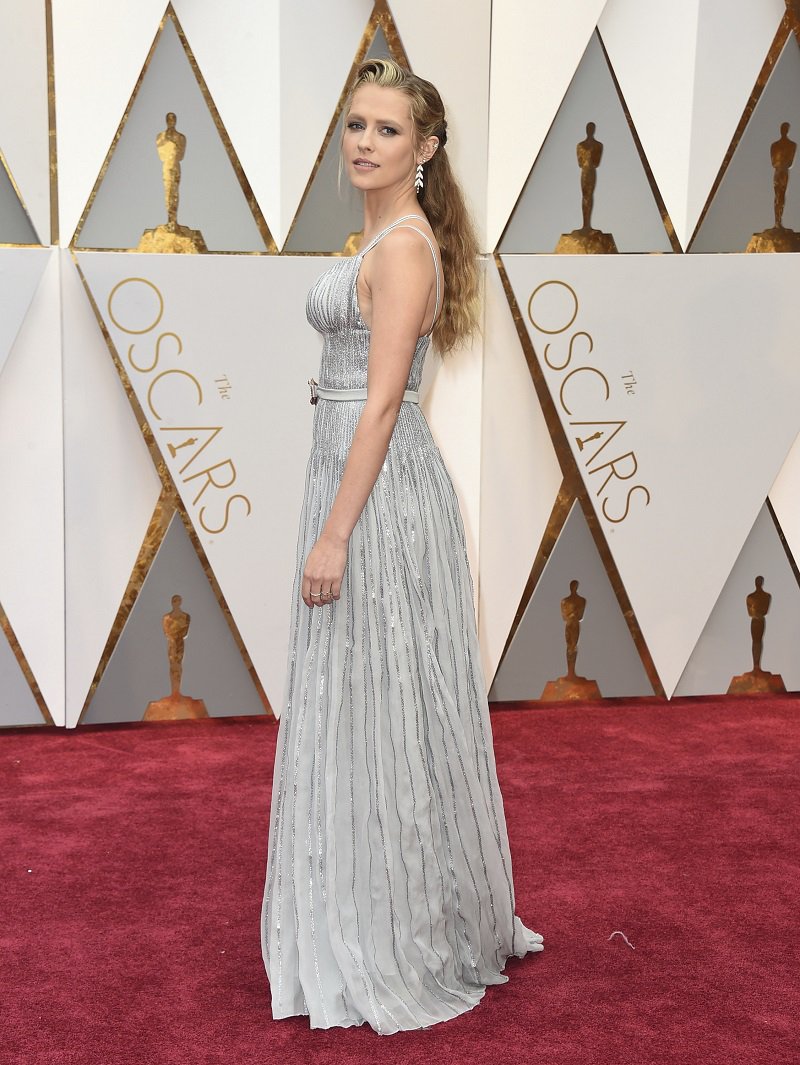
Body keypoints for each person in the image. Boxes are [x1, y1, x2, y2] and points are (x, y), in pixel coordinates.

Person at [261, 57, 543, 1034]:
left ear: (423, 149)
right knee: (366, 696)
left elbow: (383, 403)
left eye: (385, 129)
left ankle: (392, 925)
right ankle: (361, 898)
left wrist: (334, 534)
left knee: (385, 695)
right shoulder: (375, 233)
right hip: (346, 470)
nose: (363, 142)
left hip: (374, 493)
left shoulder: (404, 248)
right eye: (354, 125)